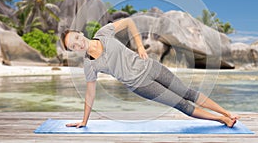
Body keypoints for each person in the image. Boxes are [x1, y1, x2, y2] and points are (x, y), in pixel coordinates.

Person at [61, 18, 239, 128]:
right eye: (73, 46)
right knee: (181, 104)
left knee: (188, 93)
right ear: (74, 51)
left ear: (80, 33)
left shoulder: (103, 33)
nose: (78, 44)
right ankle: (222, 120)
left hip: (152, 67)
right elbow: (90, 93)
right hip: (140, 85)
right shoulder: (89, 65)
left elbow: (129, 22)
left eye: (76, 38)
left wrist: (139, 46)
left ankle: (227, 113)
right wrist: (84, 121)